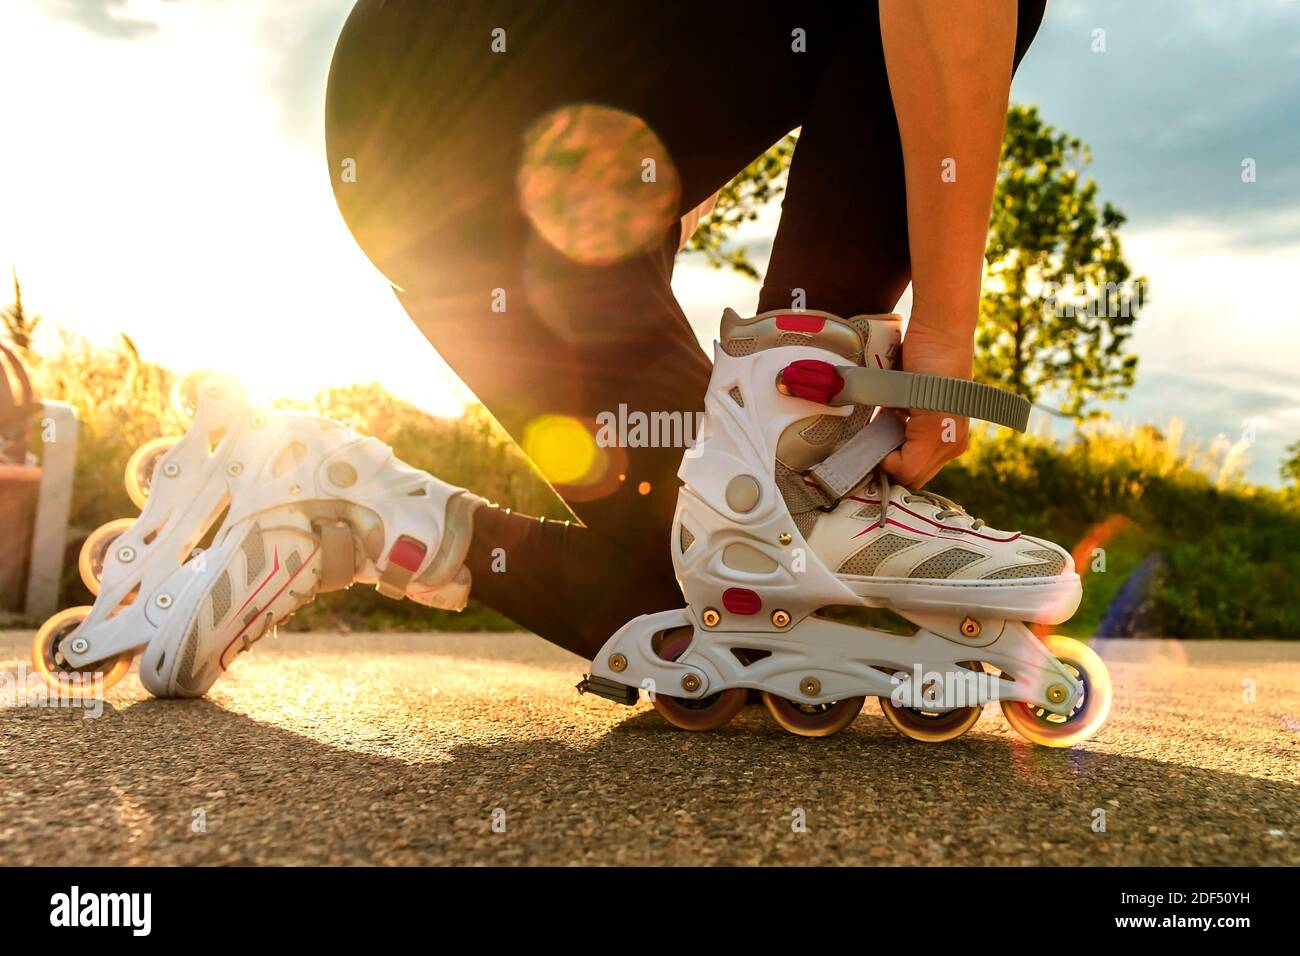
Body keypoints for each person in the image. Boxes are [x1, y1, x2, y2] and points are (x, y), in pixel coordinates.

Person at [322, 0, 1049, 660]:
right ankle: (800, 455)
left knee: (728, 586)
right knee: (764, 539)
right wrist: (945, 338)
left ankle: (354, 505)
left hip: (458, 187)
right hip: (459, 84)